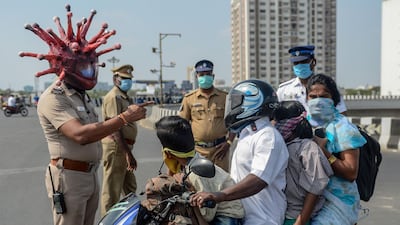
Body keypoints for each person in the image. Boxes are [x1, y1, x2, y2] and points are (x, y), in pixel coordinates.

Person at [22, 5, 152, 225]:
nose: (89, 72)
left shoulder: (83, 96)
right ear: (66, 66)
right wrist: (124, 119)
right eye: (83, 68)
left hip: (89, 175)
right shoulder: (54, 97)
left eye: (92, 66)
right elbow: (80, 135)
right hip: (69, 177)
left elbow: (99, 127)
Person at [190, 79, 289, 225]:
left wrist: (220, 195)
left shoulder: (267, 137)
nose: (232, 106)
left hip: (262, 219)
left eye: (237, 101)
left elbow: (258, 180)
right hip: (243, 215)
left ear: (253, 101)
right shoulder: (247, 134)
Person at [154, 115, 244, 225]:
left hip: (226, 216)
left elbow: (207, 215)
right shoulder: (186, 164)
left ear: (168, 152)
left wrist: (189, 189)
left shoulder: (196, 173)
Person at [305, 74, 366, 225]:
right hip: (307, 201)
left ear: (334, 99)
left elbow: (351, 172)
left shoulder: (343, 128)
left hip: (337, 204)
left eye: (323, 96)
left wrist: (323, 152)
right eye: (313, 96)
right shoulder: (302, 124)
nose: (318, 101)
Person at [272, 100, 333, 225]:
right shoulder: (282, 146)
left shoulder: (308, 147)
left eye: (279, 121)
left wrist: (300, 221)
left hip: (296, 217)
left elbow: (315, 188)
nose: (276, 125)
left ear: (290, 123)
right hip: (279, 214)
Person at [179, 59, 234, 172]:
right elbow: (181, 126)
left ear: (213, 76)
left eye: (208, 74)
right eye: (202, 74)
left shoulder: (225, 97)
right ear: (197, 77)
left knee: (221, 185)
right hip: (198, 150)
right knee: (198, 184)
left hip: (220, 150)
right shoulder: (189, 99)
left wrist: (229, 143)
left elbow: (233, 122)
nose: (205, 77)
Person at [100, 64, 141, 216]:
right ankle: (107, 220)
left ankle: (129, 217)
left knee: (130, 187)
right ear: (115, 79)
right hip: (117, 147)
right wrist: (127, 154)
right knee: (112, 191)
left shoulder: (124, 96)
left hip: (124, 148)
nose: (127, 81)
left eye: (129, 79)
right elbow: (114, 128)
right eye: (123, 78)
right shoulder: (113, 97)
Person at [277, 45, 347, 115]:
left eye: (304, 61)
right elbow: (275, 116)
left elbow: (342, 113)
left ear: (313, 62)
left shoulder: (328, 86)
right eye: (296, 63)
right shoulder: (284, 90)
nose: (300, 65)